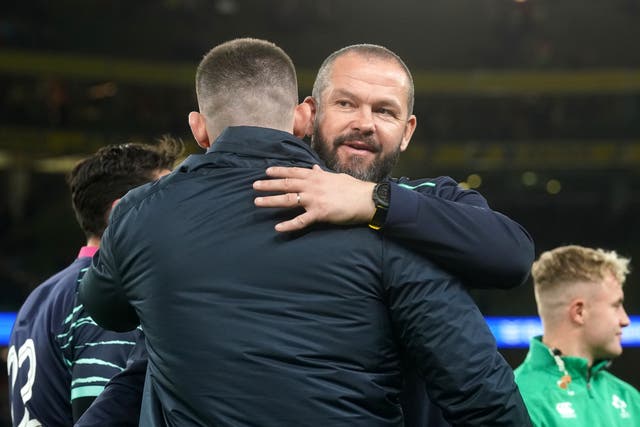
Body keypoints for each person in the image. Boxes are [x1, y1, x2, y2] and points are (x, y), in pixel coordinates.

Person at [78, 38, 531, 426]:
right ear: (306, 115)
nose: (365, 122)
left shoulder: (414, 211)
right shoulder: (198, 212)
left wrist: (376, 203)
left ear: (407, 130)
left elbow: (511, 256)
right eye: (346, 103)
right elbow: (151, 366)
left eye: (385, 111)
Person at [7, 138, 181, 426]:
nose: (179, 216)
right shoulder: (107, 298)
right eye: (166, 203)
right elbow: (108, 416)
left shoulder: (42, 295)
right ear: (119, 213)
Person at [514, 245, 639, 426]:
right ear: (579, 312)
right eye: (616, 305)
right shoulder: (517, 399)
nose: (625, 320)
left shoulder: (629, 398)